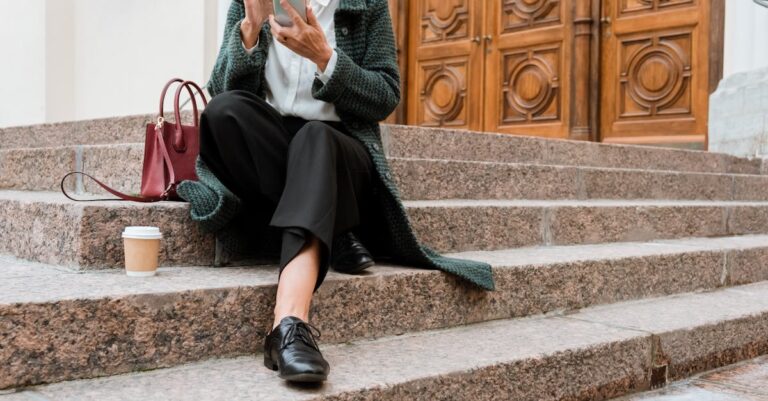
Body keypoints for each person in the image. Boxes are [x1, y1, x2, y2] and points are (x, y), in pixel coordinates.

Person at [199, 0, 398, 383]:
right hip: (274, 151)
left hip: (339, 151)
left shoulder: (366, 5)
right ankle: (331, 225)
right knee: (224, 111)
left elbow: (385, 95)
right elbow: (219, 87)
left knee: (315, 137)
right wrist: (250, 32)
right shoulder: (248, 2)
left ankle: (289, 323)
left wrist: (326, 58)